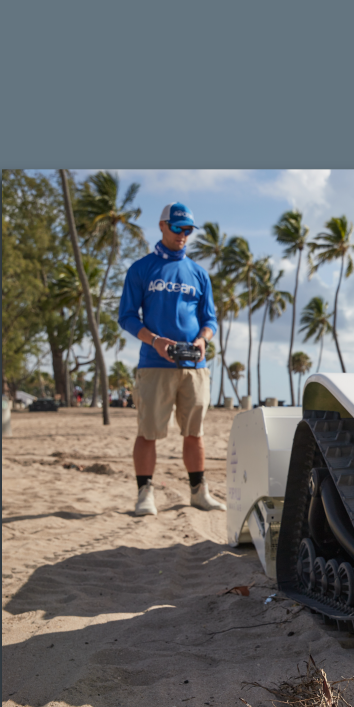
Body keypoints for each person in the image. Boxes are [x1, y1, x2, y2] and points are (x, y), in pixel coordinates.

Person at [117, 202, 220, 516]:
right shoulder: (141, 269)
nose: (183, 235)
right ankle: (144, 495)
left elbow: (211, 320)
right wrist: (156, 341)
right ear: (162, 226)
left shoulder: (199, 274)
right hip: (154, 364)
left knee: (194, 433)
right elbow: (126, 317)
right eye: (178, 228)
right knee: (148, 432)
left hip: (194, 367)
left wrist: (203, 340)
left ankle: (199, 492)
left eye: (188, 230)